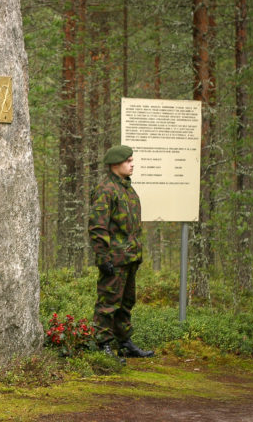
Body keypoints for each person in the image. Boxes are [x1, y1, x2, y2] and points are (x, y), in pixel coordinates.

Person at [88, 145, 154, 364]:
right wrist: (103, 257)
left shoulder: (127, 189)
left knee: (126, 302)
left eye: (132, 160)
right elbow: (98, 226)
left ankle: (124, 343)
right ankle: (103, 344)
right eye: (128, 161)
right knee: (108, 303)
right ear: (116, 164)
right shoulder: (105, 190)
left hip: (130, 257)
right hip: (114, 259)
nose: (132, 164)